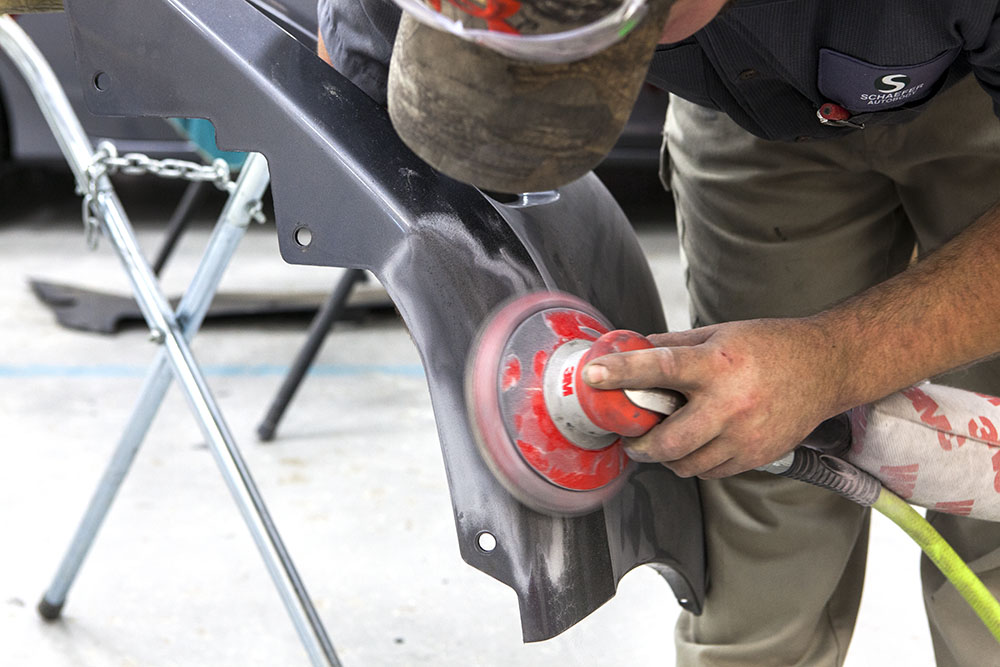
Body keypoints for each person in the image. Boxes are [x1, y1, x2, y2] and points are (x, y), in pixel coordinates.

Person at [317, 0, 1000, 664]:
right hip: (747, 112)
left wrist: (834, 359)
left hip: (971, 91)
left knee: (989, 501)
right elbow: (352, 108)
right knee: (749, 503)